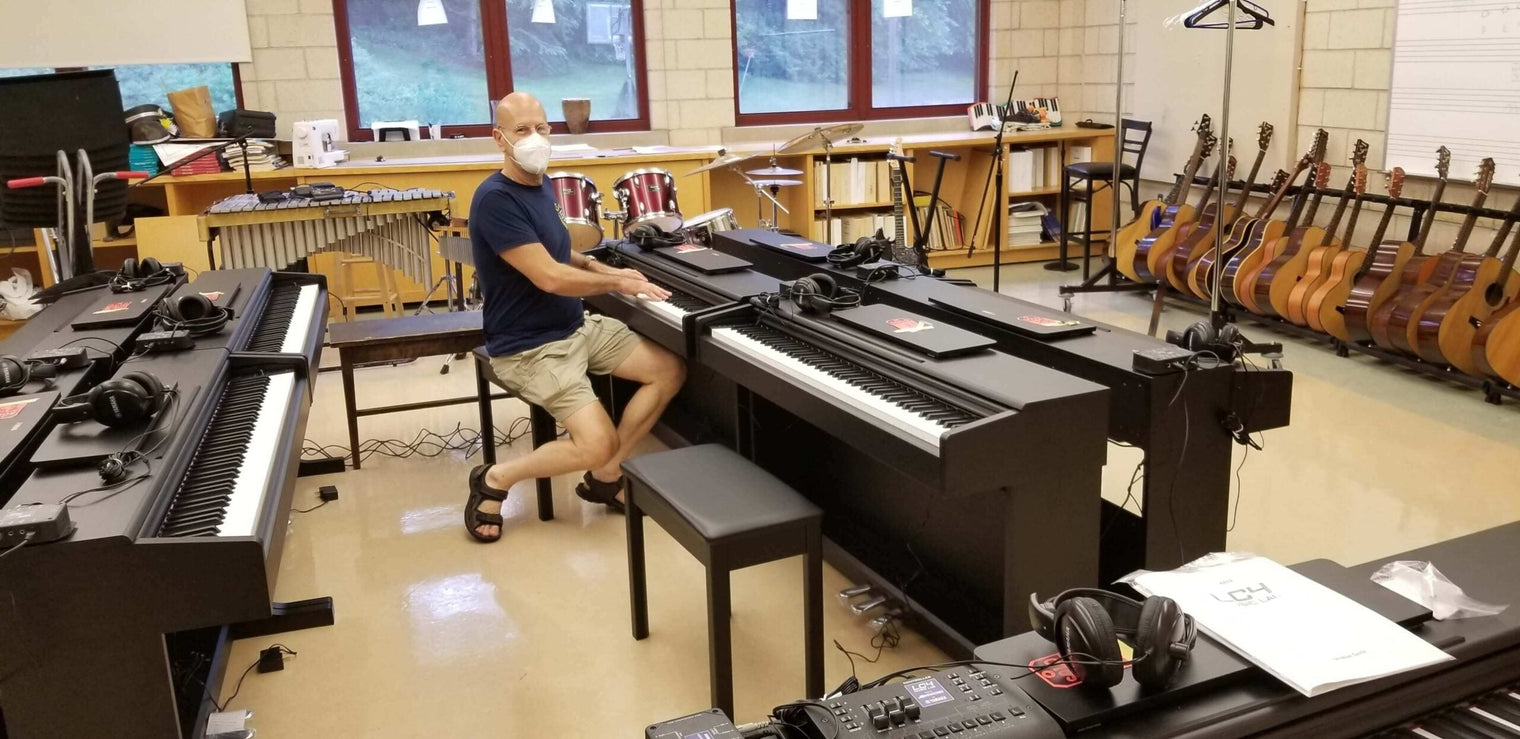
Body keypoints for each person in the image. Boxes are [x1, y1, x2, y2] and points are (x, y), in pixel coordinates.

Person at [464, 92, 685, 542]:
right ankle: (495, 478)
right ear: (499, 139)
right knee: (595, 439)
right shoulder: (495, 199)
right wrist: (619, 284)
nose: (535, 138)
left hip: (574, 325)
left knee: (668, 369)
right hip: (529, 345)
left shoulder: (540, 184)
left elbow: (561, 254)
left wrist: (606, 268)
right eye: (522, 130)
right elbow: (548, 277)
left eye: (542, 128)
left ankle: (605, 475)